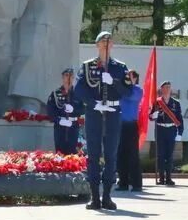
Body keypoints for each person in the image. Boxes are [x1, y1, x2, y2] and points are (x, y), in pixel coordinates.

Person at [72, 31, 128, 210]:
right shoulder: (87, 66)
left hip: (112, 112)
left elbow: (127, 91)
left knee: (111, 155)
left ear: (112, 46)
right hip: (94, 112)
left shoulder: (120, 67)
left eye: (109, 42)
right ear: (97, 45)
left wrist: (113, 82)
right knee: (93, 155)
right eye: (102, 42)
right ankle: (94, 196)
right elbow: (79, 89)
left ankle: (107, 196)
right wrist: (93, 103)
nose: (106, 45)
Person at [149, 80, 183, 186]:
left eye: (169, 87)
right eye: (165, 87)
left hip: (171, 130)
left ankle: (168, 178)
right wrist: (152, 116)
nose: (167, 89)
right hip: (160, 130)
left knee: (169, 155)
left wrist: (180, 132)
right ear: (161, 89)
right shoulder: (157, 102)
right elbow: (150, 116)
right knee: (160, 155)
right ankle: (161, 178)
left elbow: (179, 118)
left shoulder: (175, 103)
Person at [115, 69, 144, 193]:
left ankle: (137, 184)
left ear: (136, 78)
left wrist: (119, 84)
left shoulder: (138, 90)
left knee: (133, 155)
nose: (127, 78)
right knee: (121, 155)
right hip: (120, 125)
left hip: (131, 126)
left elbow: (129, 95)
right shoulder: (122, 89)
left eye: (130, 77)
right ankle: (123, 183)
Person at [46, 68, 82, 156]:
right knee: (60, 153)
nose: (69, 79)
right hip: (60, 127)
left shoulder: (78, 93)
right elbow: (50, 111)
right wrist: (59, 121)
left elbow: (83, 109)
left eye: (71, 77)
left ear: (73, 78)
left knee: (72, 154)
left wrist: (74, 110)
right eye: (66, 76)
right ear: (62, 78)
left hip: (73, 125)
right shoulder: (55, 94)